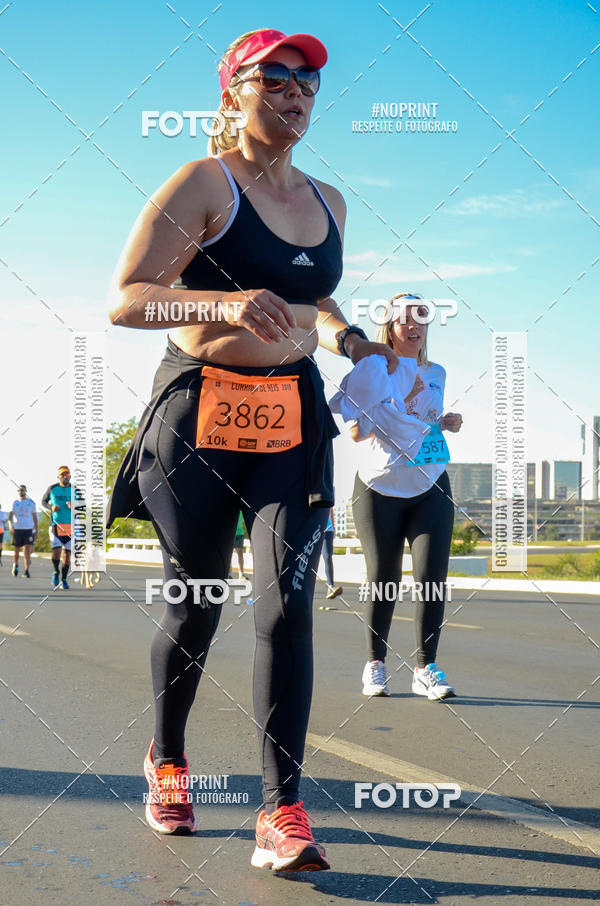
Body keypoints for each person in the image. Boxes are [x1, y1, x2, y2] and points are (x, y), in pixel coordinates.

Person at [106, 28, 396, 871]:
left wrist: (350, 338)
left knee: (284, 607)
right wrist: (227, 308)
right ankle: (166, 760)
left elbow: (318, 296)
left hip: (290, 421)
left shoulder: (331, 199)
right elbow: (126, 302)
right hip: (197, 415)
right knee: (195, 605)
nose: (295, 93)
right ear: (234, 92)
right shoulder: (203, 181)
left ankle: (283, 812)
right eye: (274, 78)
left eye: (307, 81)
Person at [331, 294, 463, 699]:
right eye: (403, 320)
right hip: (379, 487)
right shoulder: (373, 368)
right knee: (383, 578)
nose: (413, 326)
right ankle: (376, 664)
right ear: (388, 327)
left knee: (432, 580)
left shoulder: (437, 370)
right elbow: (357, 431)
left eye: (420, 319)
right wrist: (400, 401)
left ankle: (426, 669)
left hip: (430, 483)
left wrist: (445, 421)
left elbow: (425, 422)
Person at [41, 466, 72, 590]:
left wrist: (74, 505)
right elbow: (43, 501)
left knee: (67, 555)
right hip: (55, 525)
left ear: (69, 476)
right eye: (62, 475)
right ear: (59, 477)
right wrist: (51, 507)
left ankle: (64, 579)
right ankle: (55, 572)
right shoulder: (52, 489)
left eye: (67, 474)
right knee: (57, 551)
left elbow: (82, 505)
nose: (65, 476)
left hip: (70, 526)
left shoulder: (74, 489)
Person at [9, 485, 37, 577]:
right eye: (19, 490)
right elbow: (10, 516)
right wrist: (11, 525)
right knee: (16, 549)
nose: (21, 491)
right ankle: (16, 564)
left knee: (27, 549)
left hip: (28, 529)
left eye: (22, 490)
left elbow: (34, 517)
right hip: (18, 529)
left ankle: (26, 570)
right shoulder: (15, 503)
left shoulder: (31, 503)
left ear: (26, 491)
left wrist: (36, 530)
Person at [321, 508, 342, 599]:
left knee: (327, 556)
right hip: (314, 527)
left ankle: (330, 586)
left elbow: (331, 509)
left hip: (328, 530)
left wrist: (333, 528)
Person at [231, 511, 248, 579]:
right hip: (231, 531)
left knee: (240, 553)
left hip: (240, 533)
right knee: (229, 554)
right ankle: (229, 574)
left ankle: (241, 574)